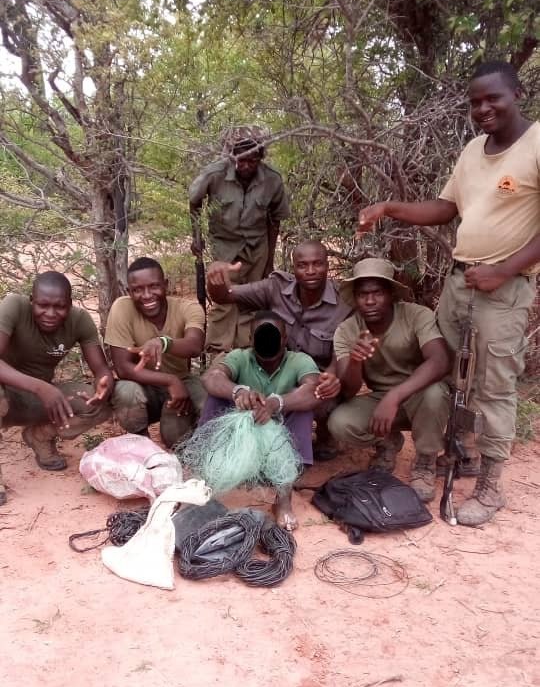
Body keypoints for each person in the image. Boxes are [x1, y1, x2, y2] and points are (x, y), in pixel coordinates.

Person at [357, 61, 539, 525]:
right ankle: (457, 453)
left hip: (504, 286)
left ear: (517, 93)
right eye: (476, 101)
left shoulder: (536, 144)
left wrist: (505, 269)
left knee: (493, 386)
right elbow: (445, 208)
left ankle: (490, 486)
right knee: (446, 375)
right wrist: (389, 207)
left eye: (492, 98)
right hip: (461, 283)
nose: (483, 108)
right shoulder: (474, 150)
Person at [206, 239, 350, 458]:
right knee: (234, 384)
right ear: (294, 268)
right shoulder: (275, 288)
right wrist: (215, 280)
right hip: (275, 370)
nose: (310, 271)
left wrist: (332, 375)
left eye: (317, 264)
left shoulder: (345, 302)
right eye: (303, 265)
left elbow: (343, 349)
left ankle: (324, 432)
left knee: (322, 394)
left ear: (327, 265)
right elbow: (224, 296)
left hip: (315, 382)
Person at [327, 258, 450, 502]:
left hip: (419, 394)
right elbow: (349, 391)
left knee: (435, 393)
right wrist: (355, 361)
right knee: (340, 423)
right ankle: (387, 441)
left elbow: (440, 361)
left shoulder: (416, 315)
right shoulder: (347, 329)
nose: (370, 301)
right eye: (363, 295)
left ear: (391, 293)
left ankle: (426, 461)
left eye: (377, 293)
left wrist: (394, 396)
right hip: (380, 399)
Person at [200, 310, 321, 531]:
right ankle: (206, 482)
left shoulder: (299, 360)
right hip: (245, 438)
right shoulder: (239, 356)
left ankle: (283, 498)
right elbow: (211, 377)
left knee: (304, 408)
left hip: (282, 442)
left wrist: (277, 403)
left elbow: (314, 390)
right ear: (251, 339)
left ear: (285, 339)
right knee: (215, 396)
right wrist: (237, 392)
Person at [0, 271, 114, 503]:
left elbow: (101, 370)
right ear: (32, 300)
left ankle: (40, 436)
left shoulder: (80, 320)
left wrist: (104, 386)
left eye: (60, 307)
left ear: (70, 305)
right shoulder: (14, 305)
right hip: (7, 392)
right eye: (42, 305)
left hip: (37, 400)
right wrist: (42, 388)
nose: (50, 313)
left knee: (99, 403)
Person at [189, 127, 290, 353]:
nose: (245, 166)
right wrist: (196, 237)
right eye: (240, 160)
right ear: (231, 155)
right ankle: (218, 351)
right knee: (224, 298)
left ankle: (246, 349)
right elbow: (194, 203)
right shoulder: (214, 173)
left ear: (260, 157)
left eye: (251, 160)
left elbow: (275, 220)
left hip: (257, 246)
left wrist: (270, 259)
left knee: (252, 297)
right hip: (224, 245)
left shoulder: (272, 179)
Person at [105, 257, 206, 448]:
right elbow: (123, 368)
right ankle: (142, 442)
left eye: (154, 286)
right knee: (125, 391)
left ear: (166, 285)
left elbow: (194, 346)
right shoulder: (122, 308)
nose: (147, 295)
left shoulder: (188, 308)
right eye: (138, 290)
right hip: (145, 386)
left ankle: (202, 438)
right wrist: (170, 381)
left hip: (181, 383)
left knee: (175, 440)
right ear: (129, 291)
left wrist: (164, 343)